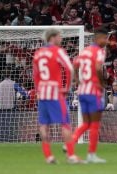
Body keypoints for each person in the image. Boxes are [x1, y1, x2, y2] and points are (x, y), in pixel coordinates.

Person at [33, 28, 81, 164]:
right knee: (65, 123)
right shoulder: (58, 51)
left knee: (44, 125)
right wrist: (67, 87)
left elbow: (35, 74)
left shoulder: (38, 53)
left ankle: (49, 156)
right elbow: (69, 68)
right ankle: (71, 156)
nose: (61, 38)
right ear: (52, 37)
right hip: (55, 92)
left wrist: (37, 90)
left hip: (42, 93)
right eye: (59, 36)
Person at [72, 29, 109, 163]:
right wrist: (102, 83)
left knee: (87, 122)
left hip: (82, 91)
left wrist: (77, 80)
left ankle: (70, 144)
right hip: (93, 92)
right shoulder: (99, 51)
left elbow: (74, 65)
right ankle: (91, 155)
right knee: (94, 124)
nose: (106, 41)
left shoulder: (85, 51)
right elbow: (99, 68)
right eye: (105, 38)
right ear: (98, 38)